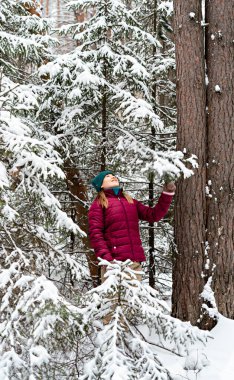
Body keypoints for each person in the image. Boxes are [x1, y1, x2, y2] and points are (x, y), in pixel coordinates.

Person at [88, 170, 176, 284]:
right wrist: (108, 260)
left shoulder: (130, 201)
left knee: (132, 301)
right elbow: (95, 234)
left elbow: (153, 215)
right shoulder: (99, 204)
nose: (113, 177)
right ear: (101, 185)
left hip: (134, 263)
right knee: (114, 301)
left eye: (113, 175)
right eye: (108, 176)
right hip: (113, 264)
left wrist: (167, 193)